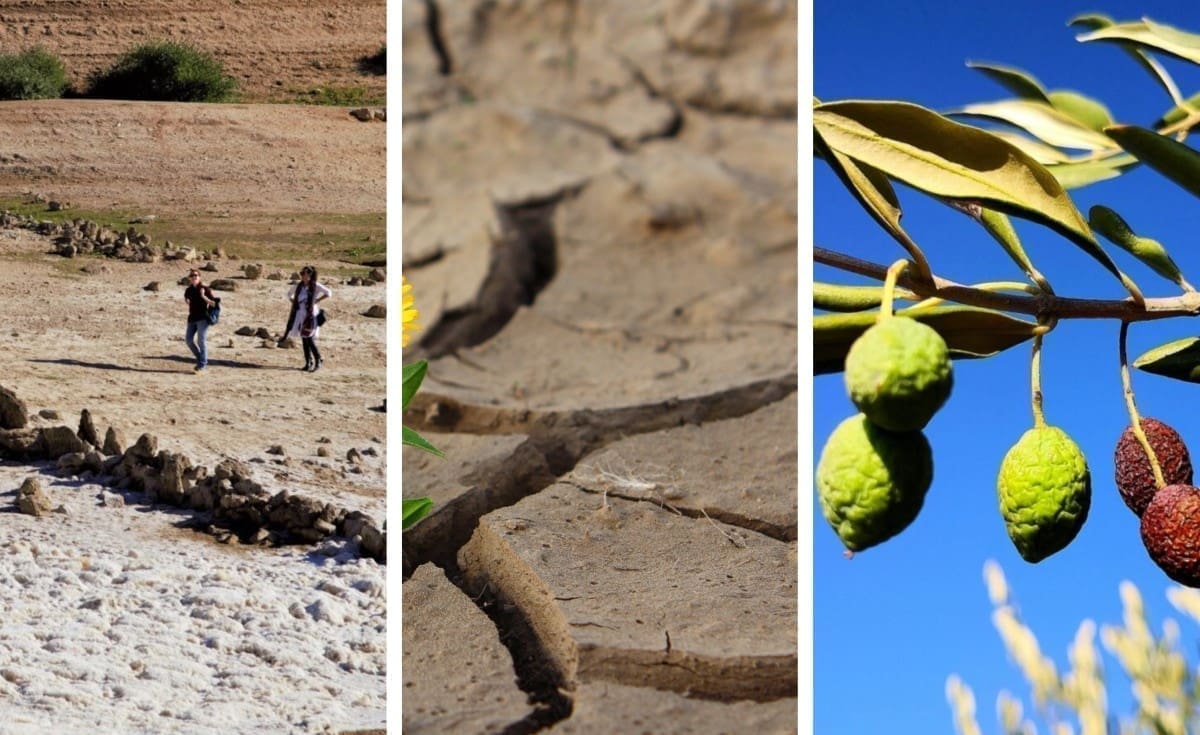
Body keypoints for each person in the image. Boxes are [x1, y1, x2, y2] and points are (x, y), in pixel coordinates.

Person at [286, 266, 332, 372]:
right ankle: (308, 362)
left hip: (311, 315)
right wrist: (294, 302)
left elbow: (328, 293)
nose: (301, 275)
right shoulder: (299, 286)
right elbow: (289, 295)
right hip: (300, 314)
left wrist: (316, 301)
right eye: (301, 273)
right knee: (304, 338)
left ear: (309, 275)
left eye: (304, 273)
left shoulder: (315, 285)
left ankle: (318, 359)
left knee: (309, 338)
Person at [183, 269, 217, 373]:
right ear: (190, 278)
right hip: (192, 319)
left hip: (202, 319)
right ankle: (200, 359)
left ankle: (202, 365)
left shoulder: (205, 289)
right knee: (188, 340)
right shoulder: (188, 290)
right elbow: (186, 298)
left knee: (201, 341)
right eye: (192, 275)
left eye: (196, 275)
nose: (194, 277)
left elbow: (214, 304)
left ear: (199, 277)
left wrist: (203, 296)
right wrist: (187, 300)